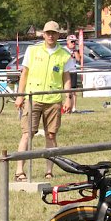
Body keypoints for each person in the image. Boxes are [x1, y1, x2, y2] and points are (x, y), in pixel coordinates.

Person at [14, 21, 75, 181]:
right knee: (27, 134)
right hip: (33, 98)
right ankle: (19, 170)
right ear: (43, 34)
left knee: (51, 135)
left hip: (54, 100)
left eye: (53, 33)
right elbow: (24, 75)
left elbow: (67, 78)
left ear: (58, 35)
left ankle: (49, 170)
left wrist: (68, 98)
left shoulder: (65, 54)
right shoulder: (32, 51)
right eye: (48, 33)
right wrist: (20, 96)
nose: (50, 35)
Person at [65, 34, 82, 113]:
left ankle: (74, 107)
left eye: (75, 42)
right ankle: (67, 106)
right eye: (72, 42)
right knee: (67, 90)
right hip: (66, 72)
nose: (73, 43)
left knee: (74, 91)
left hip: (73, 71)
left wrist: (75, 51)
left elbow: (78, 59)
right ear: (67, 42)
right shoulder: (64, 50)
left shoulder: (75, 51)